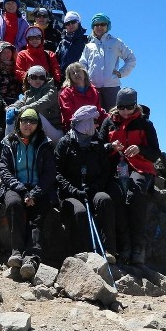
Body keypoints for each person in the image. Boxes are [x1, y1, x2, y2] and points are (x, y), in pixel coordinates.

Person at [98, 87, 160, 266]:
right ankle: (124, 246)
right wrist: (111, 147)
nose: (125, 111)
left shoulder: (145, 124)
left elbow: (155, 153)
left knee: (136, 194)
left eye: (129, 107)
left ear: (135, 105)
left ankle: (138, 247)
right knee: (115, 196)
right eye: (121, 107)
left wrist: (140, 149)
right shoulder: (109, 122)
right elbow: (99, 147)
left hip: (140, 167)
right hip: (115, 168)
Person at [0, 108, 56, 280]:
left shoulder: (44, 144)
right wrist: (23, 191)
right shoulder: (9, 142)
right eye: (24, 120)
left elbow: (49, 173)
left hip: (40, 189)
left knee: (36, 217)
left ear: (38, 125)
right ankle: (16, 251)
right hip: (16, 188)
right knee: (14, 205)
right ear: (18, 122)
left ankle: (31, 259)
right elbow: (4, 170)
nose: (28, 125)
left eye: (32, 121)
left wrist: (35, 193)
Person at [54, 105, 116, 262]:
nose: (96, 125)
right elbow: (57, 173)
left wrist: (95, 187)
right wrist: (74, 191)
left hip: (92, 190)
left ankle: (109, 250)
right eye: (93, 121)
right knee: (80, 212)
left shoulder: (97, 143)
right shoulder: (65, 143)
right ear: (84, 122)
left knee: (104, 200)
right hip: (69, 193)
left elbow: (105, 171)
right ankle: (83, 253)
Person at [79, 13, 136, 111]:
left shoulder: (115, 42)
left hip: (112, 87)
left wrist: (121, 73)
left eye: (102, 24)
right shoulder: (89, 46)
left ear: (107, 26)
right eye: (96, 25)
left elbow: (131, 59)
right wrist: (85, 79)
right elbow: (82, 64)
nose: (99, 27)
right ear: (93, 27)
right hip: (93, 88)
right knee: (94, 115)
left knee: (113, 115)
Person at [9, 66, 64, 144]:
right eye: (34, 77)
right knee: (11, 113)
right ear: (28, 79)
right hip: (37, 132)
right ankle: (10, 144)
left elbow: (42, 103)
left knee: (33, 113)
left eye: (41, 77)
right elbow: (20, 102)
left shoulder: (51, 91)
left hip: (54, 132)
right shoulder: (28, 93)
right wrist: (12, 108)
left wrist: (22, 109)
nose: (38, 80)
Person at [58, 62, 106, 132]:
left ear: (84, 72)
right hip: (74, 128)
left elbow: (97, 110)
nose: (76, 74)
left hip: (93, 126)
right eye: (72, 73)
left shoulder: (94, 91)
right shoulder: (66, 93)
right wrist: (86, 124)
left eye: (78, 71)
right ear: (70, 77)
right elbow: (68, 116)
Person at [56, 11, 88, 75]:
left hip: (80, 77)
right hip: (64, 78)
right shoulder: (62, 43)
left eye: (73, 22)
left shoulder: (86, 40)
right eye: (67, 23)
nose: (70, 25)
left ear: (78, 22)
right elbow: (56, 60)